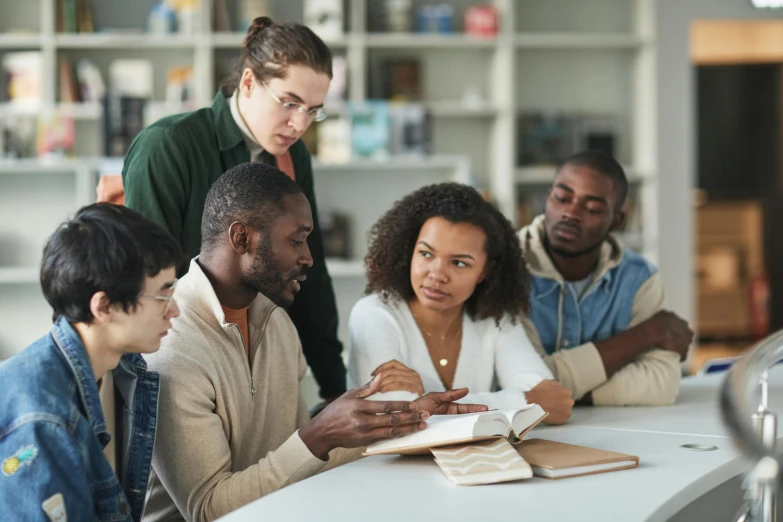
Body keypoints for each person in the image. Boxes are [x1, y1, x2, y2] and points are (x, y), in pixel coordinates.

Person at [142, 163, 486, 522]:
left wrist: (407, 419)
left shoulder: (277, 324)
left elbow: (295, 464)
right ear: (242, 238)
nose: (308, 257)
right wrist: (319, 435)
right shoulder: (170, 344)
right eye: (296, 240)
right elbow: (208, 509)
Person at [122, 16, 345, 404]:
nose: (299, 124)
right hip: (180, 362)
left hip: (262, 357)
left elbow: (312, 272)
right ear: (247, 82)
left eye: (313, 110)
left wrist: (336, 388)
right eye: (289, 103)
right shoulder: (169, 145)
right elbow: (147, 283)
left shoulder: (294, 157)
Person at [0, 204, 182, 521]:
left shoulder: (126, 369)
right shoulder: (42, 421)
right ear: (104, 306)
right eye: (163, 296)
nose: (175, 310)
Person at [347, 182, 574, 423]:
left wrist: (426, 400)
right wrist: (522, 400)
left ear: (485, 271)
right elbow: (398, 419)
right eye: (426, 253)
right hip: (383, 462)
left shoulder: (494, 317)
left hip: (478, 460)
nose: (437, 274)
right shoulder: (373, 314)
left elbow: (554, 403)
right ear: (408, 250)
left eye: (459, 263)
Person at [518, 150, 694, 406]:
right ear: (548, 197)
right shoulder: (507, 268)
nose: (571, 213)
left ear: (616, 220)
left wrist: (559, 395)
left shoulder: (639, 278)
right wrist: (647, 333)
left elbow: (662, 382)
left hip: (612, 431)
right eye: (562, 198)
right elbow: (525, 383)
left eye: (592, 208)